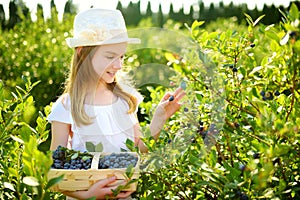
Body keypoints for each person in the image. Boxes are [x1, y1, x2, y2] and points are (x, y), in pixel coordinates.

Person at [47, 8, 185, 199]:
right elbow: (56, 171)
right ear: (82, 53)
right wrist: (87, 195)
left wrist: (158, 120)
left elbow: (137, 149)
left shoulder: (125, 99)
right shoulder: (66, 106)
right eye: (110, 56)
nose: (119, 65)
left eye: (121, 57)